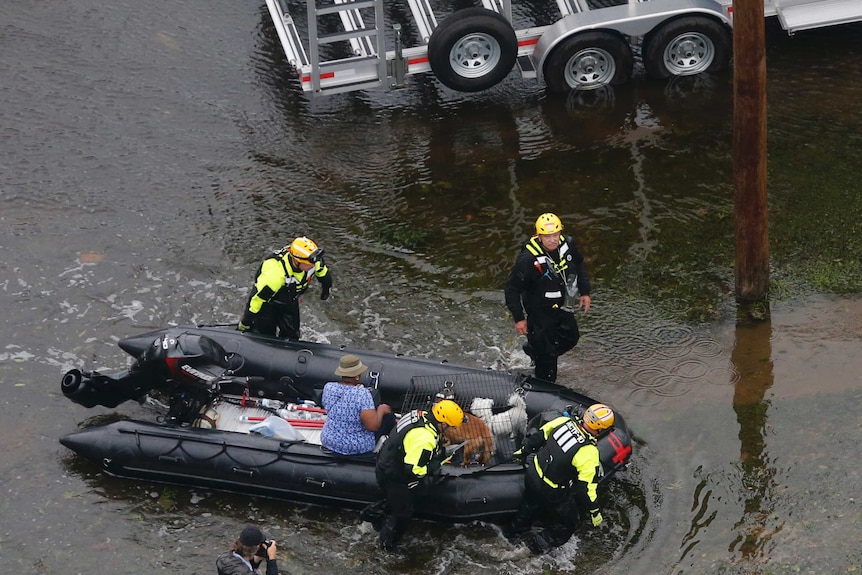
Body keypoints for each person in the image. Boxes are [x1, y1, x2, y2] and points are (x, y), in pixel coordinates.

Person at [505, 403, 615, 554]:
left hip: (532, 474)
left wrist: (522, 452)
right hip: (551, 490)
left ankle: (512, 536)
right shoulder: (588, 452)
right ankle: (534, 549)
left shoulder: (563, 422)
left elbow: (538, 437)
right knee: (568, 522)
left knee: (528, 506)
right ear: (601, 429)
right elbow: (586, 489)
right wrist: (595, 511)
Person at [363, 399, 466, 552]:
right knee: (403, 513)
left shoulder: (419, 415)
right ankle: (387, 548)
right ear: (443, 424)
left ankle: (373, 515)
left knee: (395, 501)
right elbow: (414, 471)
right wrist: (438, 462)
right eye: (451, 426)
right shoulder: (425, 438)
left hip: (386, 461)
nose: (453, 430)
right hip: (394, 474)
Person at [504, 212, 591, 382]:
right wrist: (519, 318)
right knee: (548, 364)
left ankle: (534, 351)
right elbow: (511, 289)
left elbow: (579, 265)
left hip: (563, 305)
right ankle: (544, 382)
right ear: (538, 236)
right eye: (547, 236)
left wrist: (585, 291)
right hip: (539, 313)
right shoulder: (528, 259)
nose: (552, 239)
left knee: (571, 337)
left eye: (555, 235)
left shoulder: (568, 244)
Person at [238, 236, 332, 340]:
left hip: (289, 301)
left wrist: (326, 290)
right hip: (268, 304)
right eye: (309, 264)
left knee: (292, 336)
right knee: (265, 336)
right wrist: (245, 324)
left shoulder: (314, 261)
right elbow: (256, 300)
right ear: (296, 261)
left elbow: (323, 274)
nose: (313, 266)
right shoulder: (275, 276)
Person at [320, 354, 395, 455]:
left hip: (329, 440)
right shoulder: (362, 394)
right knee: (388, 417)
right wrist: (381, 410)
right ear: (357, 376)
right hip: (355, 447)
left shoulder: (328, 387)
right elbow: (372, 427)